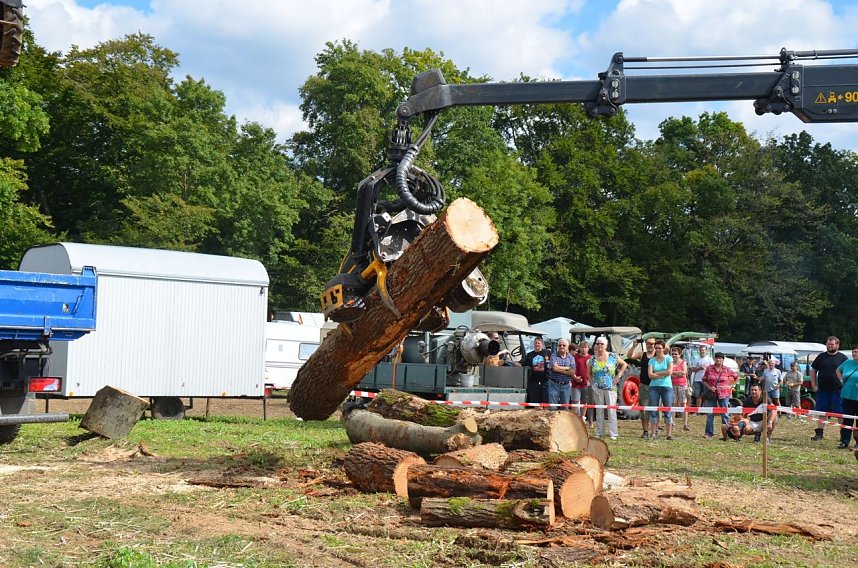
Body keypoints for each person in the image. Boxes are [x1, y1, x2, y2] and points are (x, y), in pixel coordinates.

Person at [810, 336, 848, 442]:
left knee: (840, 414)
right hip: (822, 390)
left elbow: (847, 373)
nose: (830, 346)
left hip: (838, 391)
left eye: (832, 344)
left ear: (837, 345)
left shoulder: (843, 358)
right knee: (821, 412)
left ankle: (843, 435)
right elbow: (813, 371)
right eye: (828, 344)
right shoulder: (821, 357)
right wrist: (814, 385)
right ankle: (819, 434)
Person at [589, 337, 628, 440]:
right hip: (597, 388)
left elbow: (624, 364)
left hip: (611, 387)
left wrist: (618, 376)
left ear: (606, 346)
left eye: (602, 344)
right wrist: (593, 384)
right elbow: (589, 373)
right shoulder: (592, 359)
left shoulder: (613, 356)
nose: (599, 346)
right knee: (599, 410)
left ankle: (613, 433)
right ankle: (599, 432)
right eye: (597, 344)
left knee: (611, 410)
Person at [702, 352, 738, 439]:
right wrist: (709, 387)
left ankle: (727, 433)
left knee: (724, 414)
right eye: (717, 358)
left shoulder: (727, 369)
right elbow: (704, 380)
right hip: (712, 394)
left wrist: (731, 386)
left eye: (720, 358)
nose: (718, 359)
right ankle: (709, 433)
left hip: (724, 393)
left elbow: (737, 377)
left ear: (723, 359)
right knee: (710, 414)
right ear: (715, 359)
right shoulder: (709, 368)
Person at [647, 339, 675, 440]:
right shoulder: (652, 360)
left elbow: (669, 372)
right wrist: (662, 374)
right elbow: (650, 375)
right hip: (654, 387)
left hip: (667, 387)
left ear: (663, 349)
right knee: (654, 411)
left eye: (660, 348)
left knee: (667, 411)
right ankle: (654, 433)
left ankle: (669, 434)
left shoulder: (669, 358)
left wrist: (657, 374)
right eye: (656, 348)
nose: (658, 350)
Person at [628, 338, 656, 438]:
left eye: (652, 344)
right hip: (644, 385)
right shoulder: (642, 354)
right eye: (648, 343)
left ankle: (654, 430)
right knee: (643, 408)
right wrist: (634, 346)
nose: (650, 345)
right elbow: (629, 356)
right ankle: (645, 431)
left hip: (656, 385)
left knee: (655, 408)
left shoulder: (659, 354)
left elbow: (667, 348)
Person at [835, 345, 858, 449]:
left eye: (856, 352)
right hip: (847, 396)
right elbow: (838, 370)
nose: (854, 354)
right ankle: (844, 441)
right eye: (853, 351)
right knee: (847, 420)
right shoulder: (848, 362)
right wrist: (841, 380)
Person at [547, 339, 576, 410]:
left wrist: (559, 368)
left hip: (566, 386)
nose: (561, 347)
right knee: (553, 407)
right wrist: (567, 368)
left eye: (564, 345)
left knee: (565, 408)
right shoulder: (553, 356)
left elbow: (572, 372)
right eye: (560, 345)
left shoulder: (571, 358)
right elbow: (554, 368)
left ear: (567, 347)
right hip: (554, 384)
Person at [523, 336, 550, 405]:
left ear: (542, 344)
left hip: (545, 381)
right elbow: (524, 365)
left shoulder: (547, 353)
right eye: (535, 343)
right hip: (533, 382)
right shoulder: (529, 355)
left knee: (546, 401)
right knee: (535, 402)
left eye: (538, 343)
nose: (537, 344)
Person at [670, 346, 690, 431]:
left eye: (676, 354)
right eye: (673, 354)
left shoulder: (683, 362)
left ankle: (685, 424)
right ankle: (672, 424)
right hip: (672, 385)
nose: (674, 355)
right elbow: (669, 374)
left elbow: (684, 373)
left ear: (680, 355)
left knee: (683, 404)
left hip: (682, 385)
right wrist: (678, 373)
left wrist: (674, 373)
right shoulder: (670, 363)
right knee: (673, 405)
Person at [572, 341, 591, 421]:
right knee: (575, 401)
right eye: (582, 347)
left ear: (588, 348)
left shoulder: (591, 358)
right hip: (576, 383)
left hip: (586, 383)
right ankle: (574, 418)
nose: (584, 349)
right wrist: (575, 377)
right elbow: (572, 369)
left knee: (584, 401)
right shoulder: (575, 357)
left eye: (585, 347)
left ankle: (583, 417)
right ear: (579, 348)